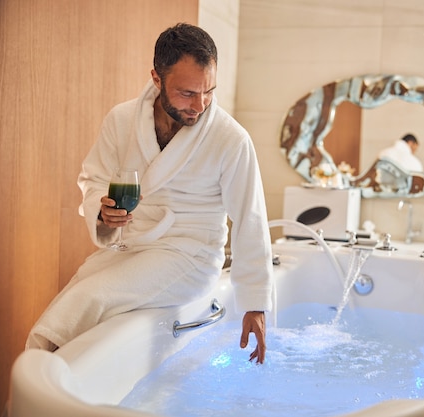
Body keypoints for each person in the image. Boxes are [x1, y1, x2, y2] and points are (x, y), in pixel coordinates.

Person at [26, 23, 273, 364]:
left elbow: (250, 218)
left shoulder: (230, 139)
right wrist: (103, 211)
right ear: (157, 79)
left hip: (190, 256)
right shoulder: (122, 120)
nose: (199, 106)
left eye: (209, 91)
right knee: (63, 310)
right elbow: (94, 178)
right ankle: (41, 391)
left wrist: (255, 304)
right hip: (132, 247)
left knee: (87, 300)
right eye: (187, 93)